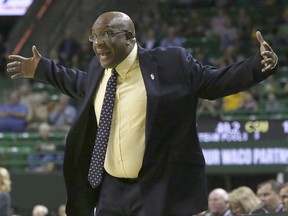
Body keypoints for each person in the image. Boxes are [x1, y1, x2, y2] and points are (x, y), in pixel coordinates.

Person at [6, 11, 278, 216]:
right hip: (110, 190)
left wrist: (258, 65)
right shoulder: (98, 70)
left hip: (156, 187)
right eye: (94, 36)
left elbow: (214, 82)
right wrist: (42, 69)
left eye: (107, 35)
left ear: (129, 37)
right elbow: (76, 82)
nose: (98, 43)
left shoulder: (170, 62)